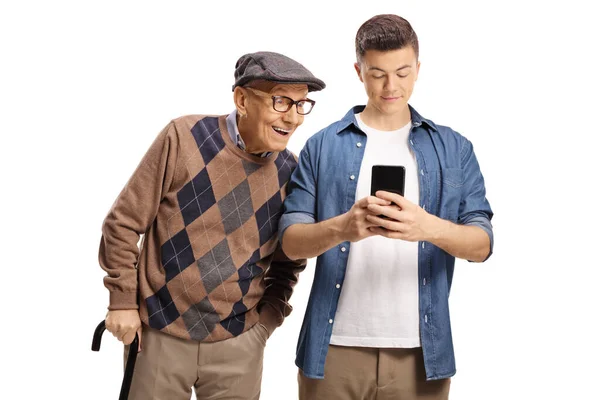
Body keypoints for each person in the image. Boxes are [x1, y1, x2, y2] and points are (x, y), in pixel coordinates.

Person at [279, 14, 494, 400]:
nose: (391, 86)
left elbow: (482, 245)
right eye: (377, 73)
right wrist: (344, 228)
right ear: (358, 71)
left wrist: (427, 227)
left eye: (402, 72)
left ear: (418, 69)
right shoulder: (322, 145)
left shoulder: (454, 148)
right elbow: (290, 243)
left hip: (421, 352)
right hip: (333, 349)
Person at [98, 51, 325, 400]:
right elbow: (123, 223)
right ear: (242, 99)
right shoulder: (184, 137)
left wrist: (267, 322)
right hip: (158, 336)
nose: (293, 117)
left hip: (238, 346)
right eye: (281, 101)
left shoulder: (291, 173)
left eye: (301, 104)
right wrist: (122, 302)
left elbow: (289, 262)